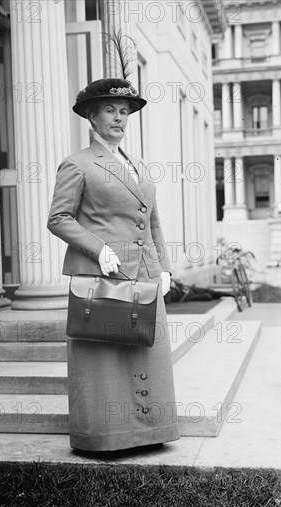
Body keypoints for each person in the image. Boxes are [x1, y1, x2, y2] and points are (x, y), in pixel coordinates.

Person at [47, 77, 180, 452]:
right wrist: (98, 248)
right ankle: (104, 438)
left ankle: (151, 432)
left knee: (146, 354)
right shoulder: (77, 164)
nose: (119, 118)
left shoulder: (137, 164)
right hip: (101, 278)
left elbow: (152, 219)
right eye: (110, 110)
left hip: (146, 276)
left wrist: (164, 267)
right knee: (103, 362)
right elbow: (58, 218)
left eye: (125, 112)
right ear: (91, 116)